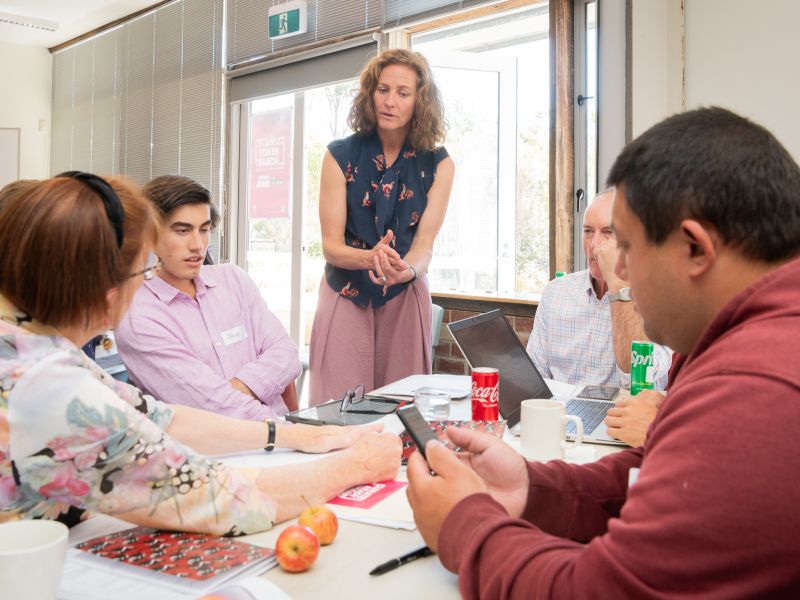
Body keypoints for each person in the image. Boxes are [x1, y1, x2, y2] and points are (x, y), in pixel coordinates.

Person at [405, 107, 800, 597]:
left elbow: (602, 590)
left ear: (696, 248)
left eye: (627, 247)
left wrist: (465, 526)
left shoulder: (755, 390)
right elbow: (656, 472)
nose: (620, 271)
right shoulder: (740, 338)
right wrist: (532, 488)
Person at [0, 173, 401, 534]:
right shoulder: (46, 383)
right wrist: (358, 465)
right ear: (107, 289)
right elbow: (219, 500)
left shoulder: (30, 345)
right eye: (142, 272)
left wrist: (292, 434)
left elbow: (159, 417)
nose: (143, 288)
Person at [309, 48, 455, 405]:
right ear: (370, 94)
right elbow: (330, 246)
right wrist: (369, 258)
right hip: (345, 290)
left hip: (405, 294)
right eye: (383, 90)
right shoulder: (338, 155)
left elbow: (424, 247)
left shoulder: (440, 165)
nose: (390, 101)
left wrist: (405, 271)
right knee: (337, 410)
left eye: (403, 93)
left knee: (403, 410)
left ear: (419, 101)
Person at [116, 175, 301, 419]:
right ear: (149, 234)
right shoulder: (138, 317)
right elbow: (209, 409)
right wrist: (286, 429)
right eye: (182, 231)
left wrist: (231, 391)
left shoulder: (232, 279)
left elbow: (286, 354)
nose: (198, 245)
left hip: (284, 437)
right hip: (220, 450)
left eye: (204, 230)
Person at [526, 189, 672, 392]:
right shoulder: (556, 292)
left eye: (608, 232)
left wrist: (619, 283)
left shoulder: (662, 297)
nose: (594, 245)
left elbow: (638, 379)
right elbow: (534, 378)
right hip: (561, 416)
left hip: (620, 418)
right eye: (588, 231)